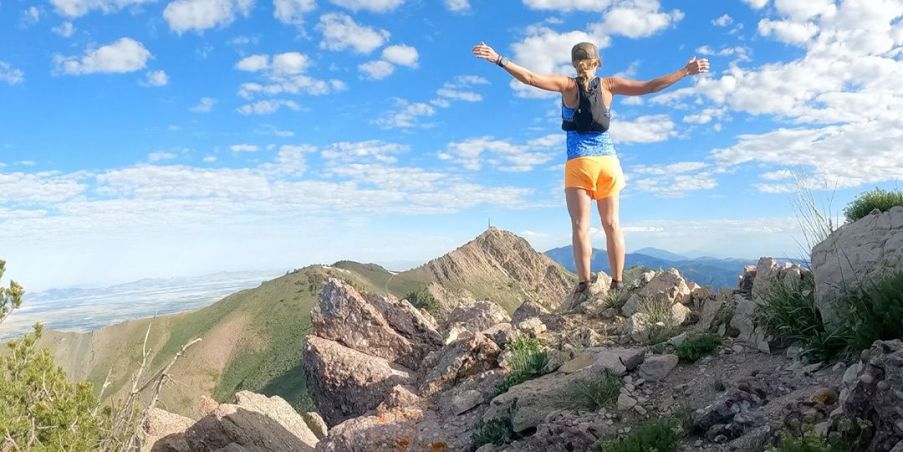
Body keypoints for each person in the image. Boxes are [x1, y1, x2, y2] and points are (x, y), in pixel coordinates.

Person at [472, 41, 709, 305]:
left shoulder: (567, 86)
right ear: (597, 62)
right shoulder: (609, 85)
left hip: (579, 163)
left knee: (581, 227)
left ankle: (584, 285)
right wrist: (686, 71)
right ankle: (618, 284)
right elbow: (650, 86)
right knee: (612, 225)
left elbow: (530, 78)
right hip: (608, 163)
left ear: (575, 63)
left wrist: (498, 59)